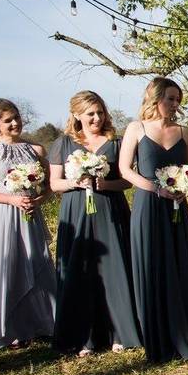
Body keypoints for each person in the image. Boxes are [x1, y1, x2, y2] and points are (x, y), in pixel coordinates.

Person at [119, 77, 188, 362]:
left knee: (180, 262)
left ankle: (187, 330)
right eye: (170, 98)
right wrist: (155, 189)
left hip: (176, 205)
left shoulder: (184, 131)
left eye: (178, 100)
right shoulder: (136, 129)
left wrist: (183, 188)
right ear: (155, 97)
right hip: (148, 205)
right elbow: (125, 169)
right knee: (153, 264)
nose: (174, 105)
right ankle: (158, 335)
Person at [49, 91, 142, 356]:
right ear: (77, 114)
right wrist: (75, 182)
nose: (96, 118)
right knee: (80, 270)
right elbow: (55, 184)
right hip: (76, 211)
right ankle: (83, 336)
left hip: (109, 209)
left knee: (115, 269)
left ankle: (119, 332)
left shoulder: (116, 142)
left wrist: (106, 184)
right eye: (90, 113)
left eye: (100, 112)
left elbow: (127, 179)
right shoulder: (63, 144)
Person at [0, 98, 55, 348]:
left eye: (17, 117)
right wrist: (10, 199)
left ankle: (42, 323)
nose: (15, 123)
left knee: (36, 261)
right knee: (7, 265)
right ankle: (8, 329)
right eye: (8, 120)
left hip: (29, 215)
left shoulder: (36, 150)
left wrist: (37, 200)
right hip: (0, 215)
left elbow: (50, 187)